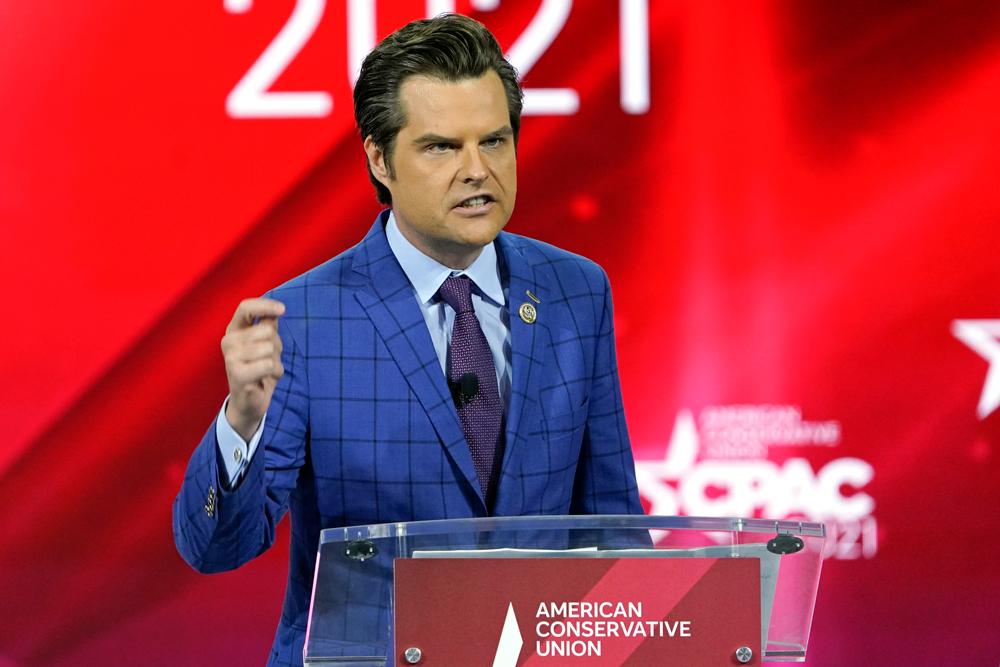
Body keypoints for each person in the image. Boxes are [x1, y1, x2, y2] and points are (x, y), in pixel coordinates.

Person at [173, 13, 643, 666]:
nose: (477, 170)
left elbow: (613, 528)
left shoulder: (575, 292)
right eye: (442, 147)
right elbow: (218, 546)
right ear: (379, 158)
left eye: (494, 140)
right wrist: (240, 424)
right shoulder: (304, 320)